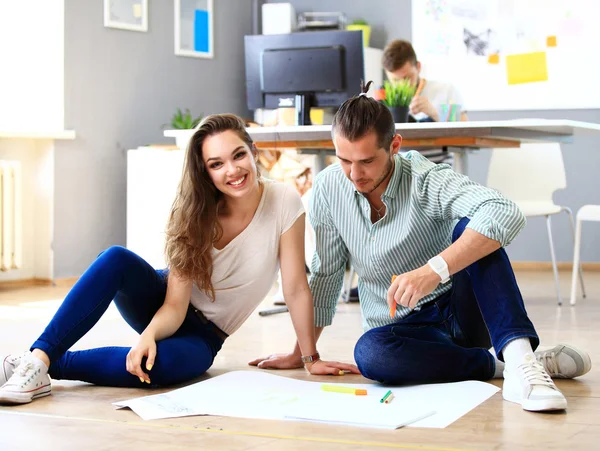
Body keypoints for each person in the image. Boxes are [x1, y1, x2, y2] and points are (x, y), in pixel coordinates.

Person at [254, 84, 592, 412]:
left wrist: (435, 270)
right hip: (405, 332)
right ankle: (507, 364)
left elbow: (504, 211)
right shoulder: (329, 189)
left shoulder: (426, 177)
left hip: (462, 313)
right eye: (344, 160)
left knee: (473, 228)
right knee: (371, 356)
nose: (355, 174)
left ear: (395, 145)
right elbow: (327, 275)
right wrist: (305, 354)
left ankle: (519, 358)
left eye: (367, 161)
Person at [0, 114, 358, 405]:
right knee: (115, 259)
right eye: (216, 164)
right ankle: (39, 359)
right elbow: (173, 305)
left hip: (205, 336)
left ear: (253, 151)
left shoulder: (283, 201)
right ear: (205, 171)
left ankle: (43, 366)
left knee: (163, 368)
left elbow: (295, 287)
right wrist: (150, 334)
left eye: (237, 155)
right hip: (165, 302)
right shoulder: (193, 214)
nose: (232, 170)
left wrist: (309, 358)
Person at [382, 39, 468, 122]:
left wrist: (433, 112)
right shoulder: (384, 99)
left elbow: (464, 128)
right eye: (396, 80)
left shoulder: (446, 90)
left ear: (418, 67)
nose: (402, 85)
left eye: (407, 78)